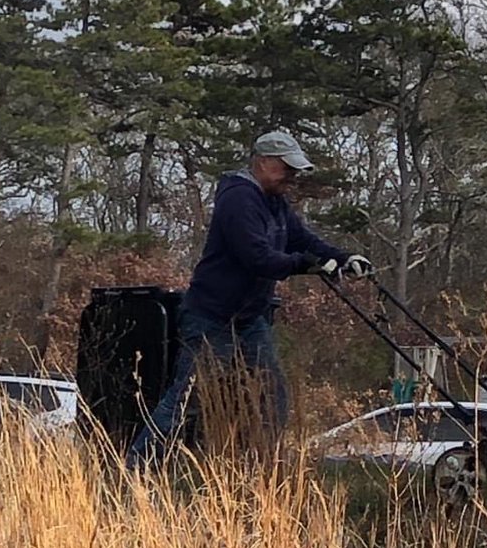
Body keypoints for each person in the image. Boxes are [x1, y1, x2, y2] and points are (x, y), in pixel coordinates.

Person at [126, 130, 372, 469]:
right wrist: (306, 264)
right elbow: (257, 257)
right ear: (263, 163)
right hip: (212, 317)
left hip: (250, 319)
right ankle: (137, 468)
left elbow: (302, 238)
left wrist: (343, 258)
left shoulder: (275, 202)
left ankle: (261, 467)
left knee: (273, 396)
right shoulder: (239, 199)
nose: (292, 176)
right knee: (187, 399)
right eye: (286, 168)